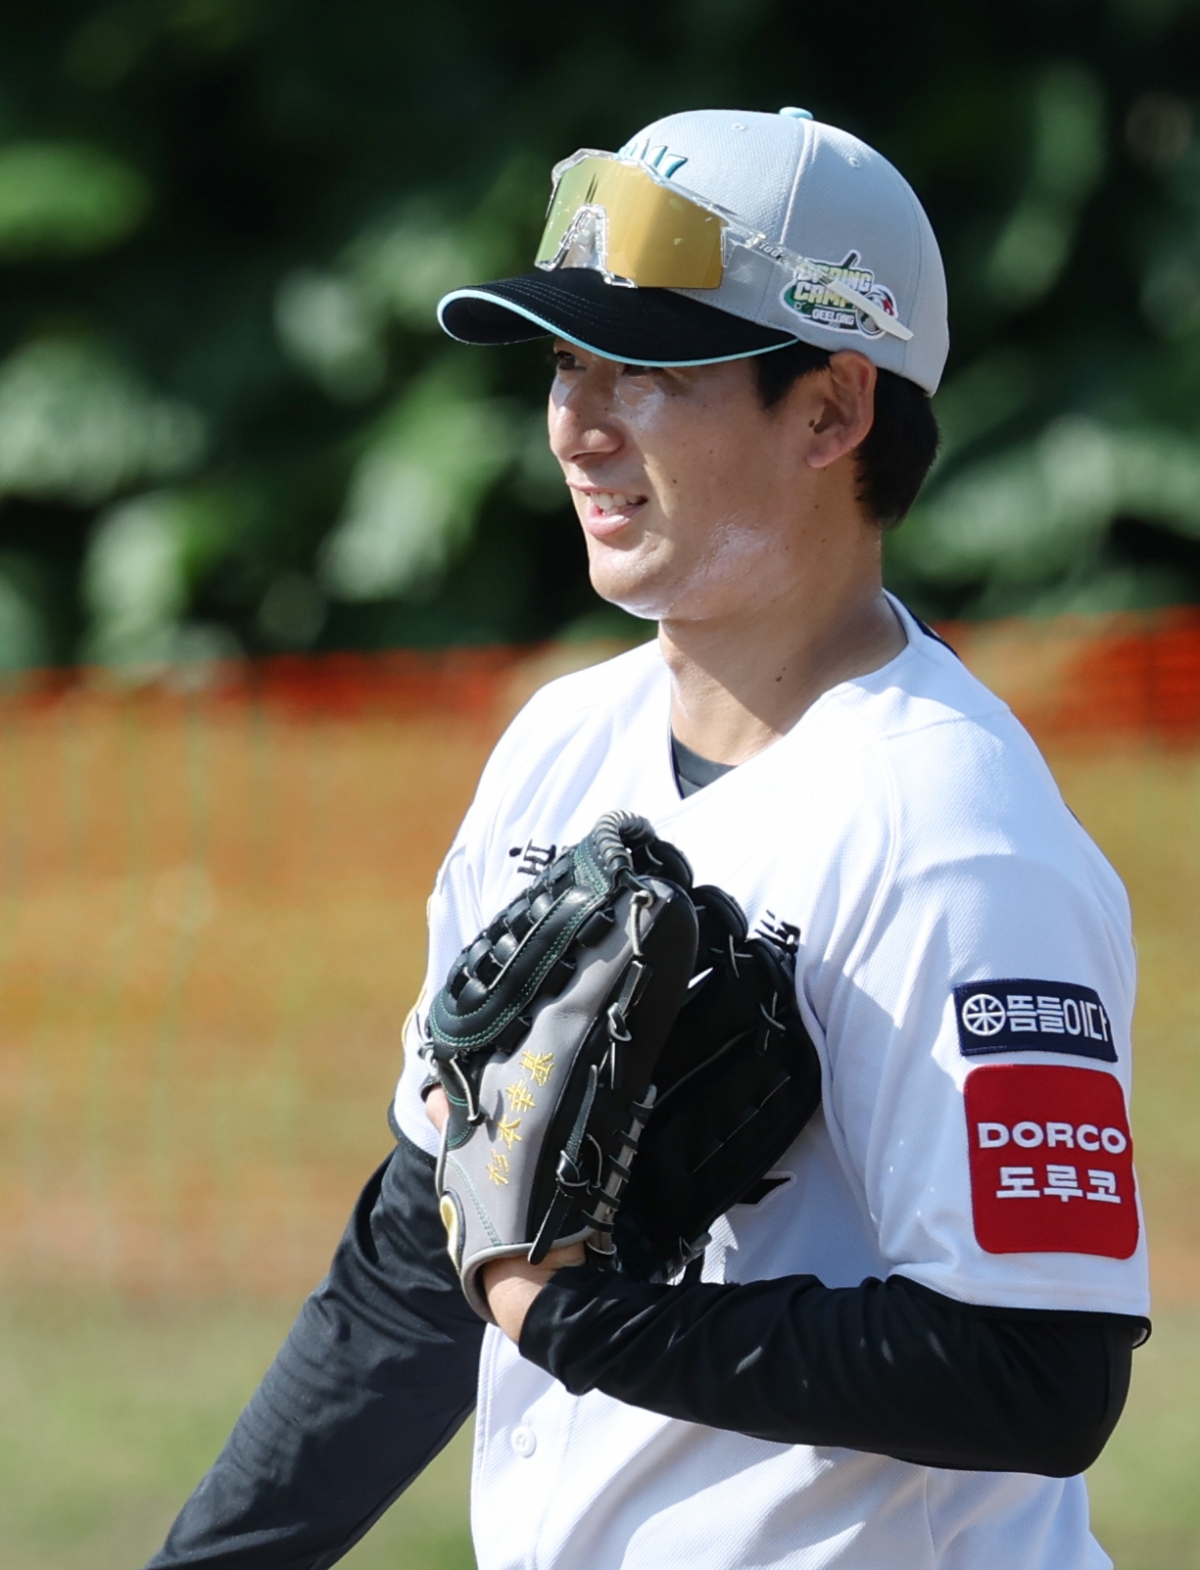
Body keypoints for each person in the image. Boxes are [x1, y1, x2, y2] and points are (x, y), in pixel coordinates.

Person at [147, 106, 1149, 1570]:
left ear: (833, 412)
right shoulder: (563, 743)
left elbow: (1037, 1370)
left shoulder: (954, 831)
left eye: (651, 370)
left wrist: (582, 1318)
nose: (578, 422)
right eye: (567, 361)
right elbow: (430, 1245)